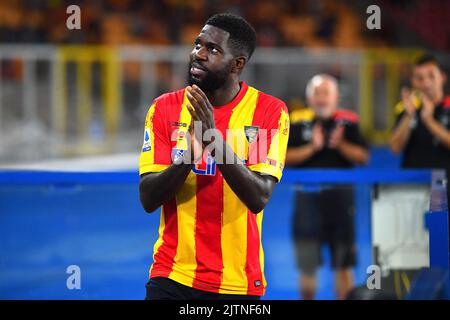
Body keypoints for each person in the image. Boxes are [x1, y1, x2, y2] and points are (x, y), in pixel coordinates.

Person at [138, 13, 290, 300]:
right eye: (198, 44)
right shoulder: (164, 108)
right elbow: (148, 198)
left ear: (238, 64)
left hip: (236, 284)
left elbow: (258, 197)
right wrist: (186, 158)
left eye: (213, 49)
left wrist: (213, 139)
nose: (199, 54)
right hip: (171, 275)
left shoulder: (269, 112)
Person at [286, 74, 369, 300]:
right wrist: (312, 148)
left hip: (341, 202)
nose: (321, 98)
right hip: (307, 202)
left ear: (336, 97)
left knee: (344, 265)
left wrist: (340, 145)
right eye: (317, 93)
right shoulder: (296, 121)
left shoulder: (348, 122)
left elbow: (363, 156)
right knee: (307, 266)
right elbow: (282, 157)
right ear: (308, 97)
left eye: (326, 93)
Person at [389, 54, 450, 204]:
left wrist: (428, 120)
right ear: (413, 81)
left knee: (439, 227)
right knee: (408, 227)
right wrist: (409, 117)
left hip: (443, 185)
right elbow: (395, 147)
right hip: (412, 184)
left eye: (431, 76)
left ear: (442, 77)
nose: (426, 83)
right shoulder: (406, 109)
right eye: (419, 78)